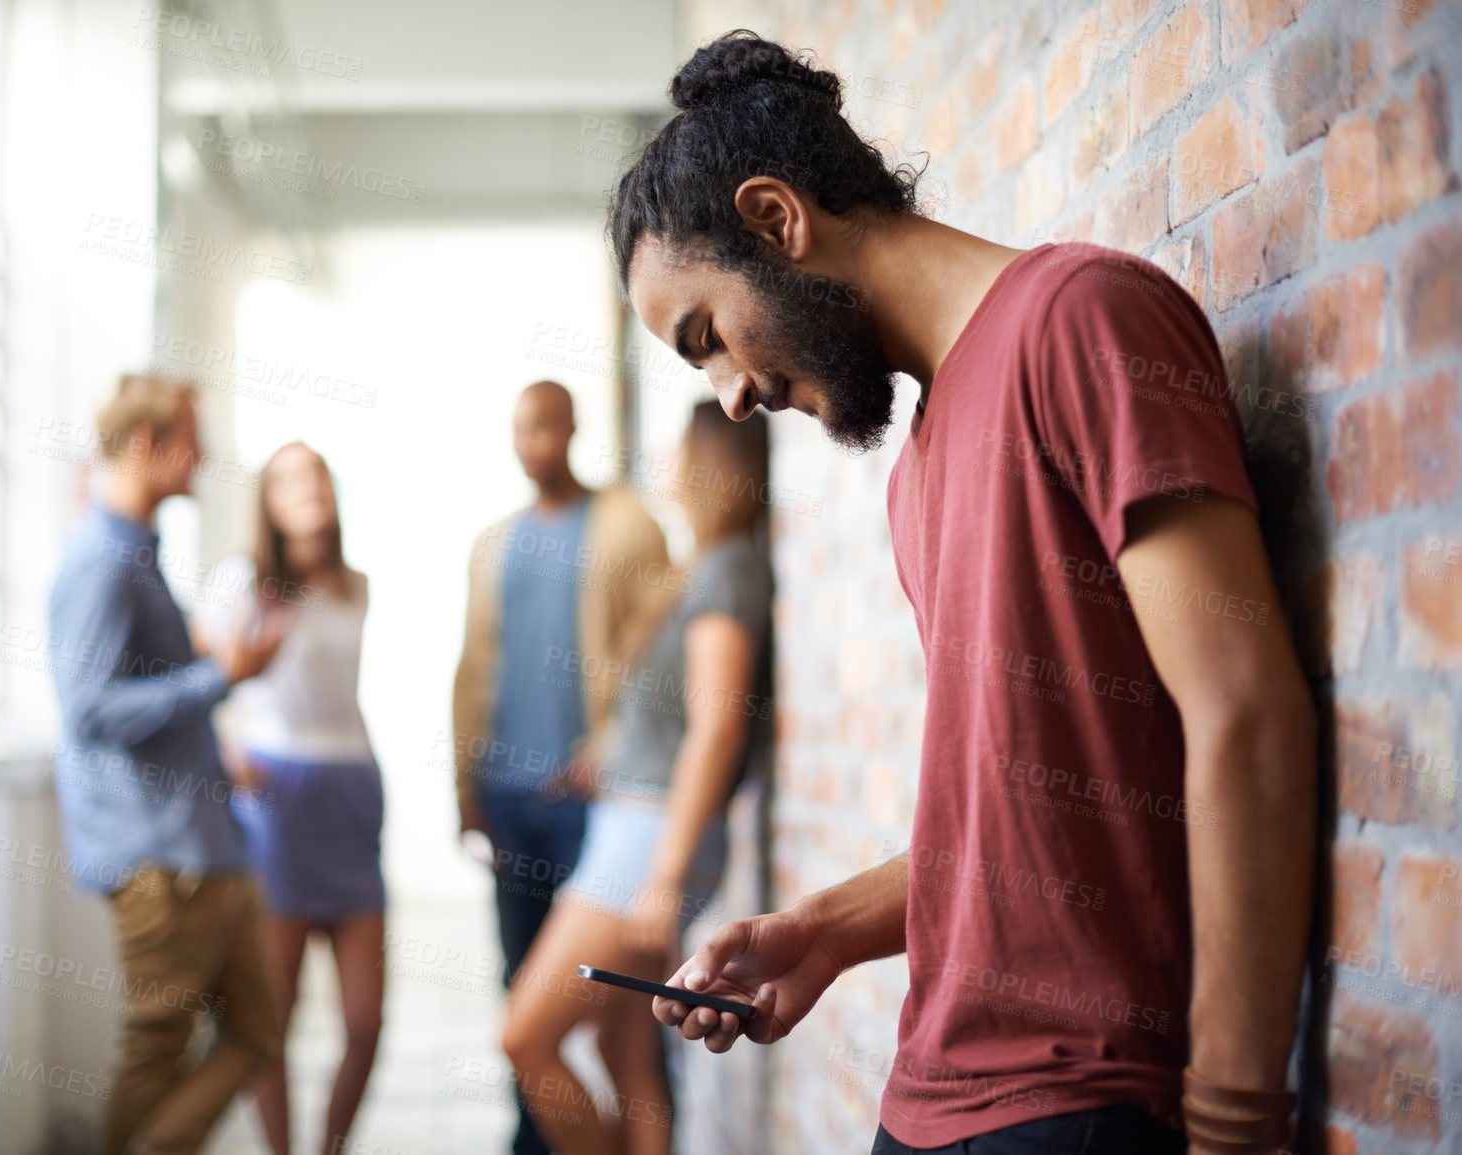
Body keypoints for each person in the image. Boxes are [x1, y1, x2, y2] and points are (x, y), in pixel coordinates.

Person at [609, 32, 1318, 1155]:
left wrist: (1234, 1121)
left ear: (776, 219)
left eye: (709, 338)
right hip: (932, 1092)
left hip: (1080, 1104)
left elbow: (1244, 715)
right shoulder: (922, 464)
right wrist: (823, 933)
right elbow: (1021, 810)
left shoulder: (1082, 318)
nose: (731, 397)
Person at [501, 400, 773, 1155]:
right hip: (635, 821)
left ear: (712, 461)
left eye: (678, 447)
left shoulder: (726, 571)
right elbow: (678, 719)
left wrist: (665, 874)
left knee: (524, 1034)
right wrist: (608, 757)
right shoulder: (709, 565)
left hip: (650, 841)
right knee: (630, 1056)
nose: (665, 461)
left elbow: (717, 727)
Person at [48, 373, 289, 1155]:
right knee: (156, 1048)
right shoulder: (101, 563)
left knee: (257, 1030)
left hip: (204, 844)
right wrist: (223, 675)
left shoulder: (139, 554)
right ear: (149, 446)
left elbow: (148, 698)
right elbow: (89, 711)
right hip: (159, 859)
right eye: (193, 437)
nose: (205, 454)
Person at [450, 380, 673, 1155]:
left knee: (622, 1011)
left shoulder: (623, 525)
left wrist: (611, 738)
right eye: (518, 429)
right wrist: (464, 785)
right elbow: (472, 667)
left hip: (598, 806)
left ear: (571, 428)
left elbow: (661, 647)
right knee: (520, 988)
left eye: (543, 427)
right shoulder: (493, 543)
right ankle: (534, 1141)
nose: (531, 443)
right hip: (508, 798)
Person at [193, 442, 385, 1155]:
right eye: (287, 479)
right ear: (267, 501)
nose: (306, 489)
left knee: (364, 1020)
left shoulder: (353, 584)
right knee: (274, 1013)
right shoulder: (242, 582)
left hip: (353, 790)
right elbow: (196, 677)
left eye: (315, 476)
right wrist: (227, 749)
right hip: (279, 799)